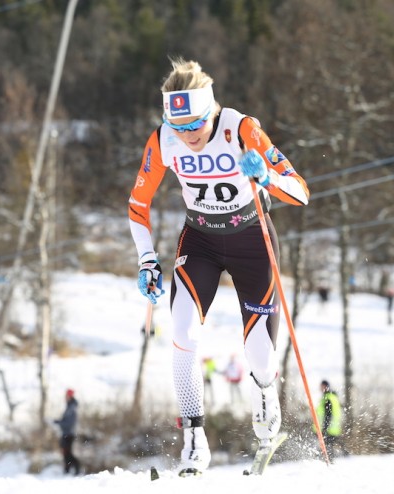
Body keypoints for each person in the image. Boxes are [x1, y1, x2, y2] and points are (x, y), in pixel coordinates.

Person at [128, 57, 310, 475]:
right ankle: (194, 442)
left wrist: (265, 177)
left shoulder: (241, 129)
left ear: (210, 112)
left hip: (252, 239)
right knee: (182, 330)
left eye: (195, 124)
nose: (188, 136)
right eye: (180, 127)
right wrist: (146, 259)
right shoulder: (163, 141)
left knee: (259, 354)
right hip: (202, 240)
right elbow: (138, 205)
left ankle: (266, 400)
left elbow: (300, 193)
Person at [314, 380, 343, 461]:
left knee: (326, 451)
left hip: (328, 429)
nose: (320, 388)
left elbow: (328, 415)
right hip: (333, 429)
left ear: (325, 386)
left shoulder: (328, 398)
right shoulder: (332, 397)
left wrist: (324, 429)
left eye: (321, 386)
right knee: (328, 451)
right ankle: (329, 465)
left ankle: (327, 466)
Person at [54, 388, 81, 475]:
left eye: (66, 395)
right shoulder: (69, 406)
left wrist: (59, 423)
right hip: (66, 433)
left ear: (70, 396)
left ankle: (76, 469)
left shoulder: (72, 408)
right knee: (66, 453)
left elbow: (69, 423)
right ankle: (67, 471)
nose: (65, 397)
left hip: (69, 434)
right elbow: (65, 420)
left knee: (68, 453)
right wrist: (57, 422)